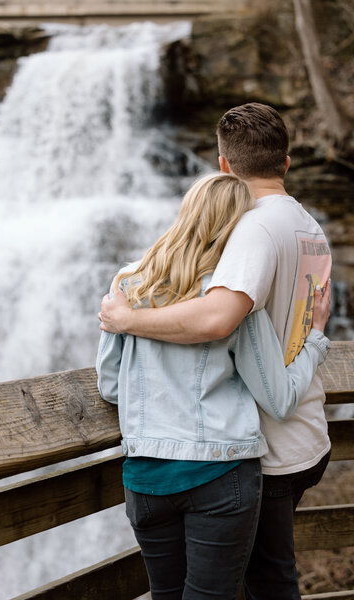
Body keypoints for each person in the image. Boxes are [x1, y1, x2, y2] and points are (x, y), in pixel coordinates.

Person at [98, 103, 333, 600]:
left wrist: (127, 320)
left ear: (224, 165)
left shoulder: (250, 228)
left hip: (257, 448)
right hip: (300, 435)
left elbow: (218, 318)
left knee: (263, 584)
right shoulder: (310, 226)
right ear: (286, 163)